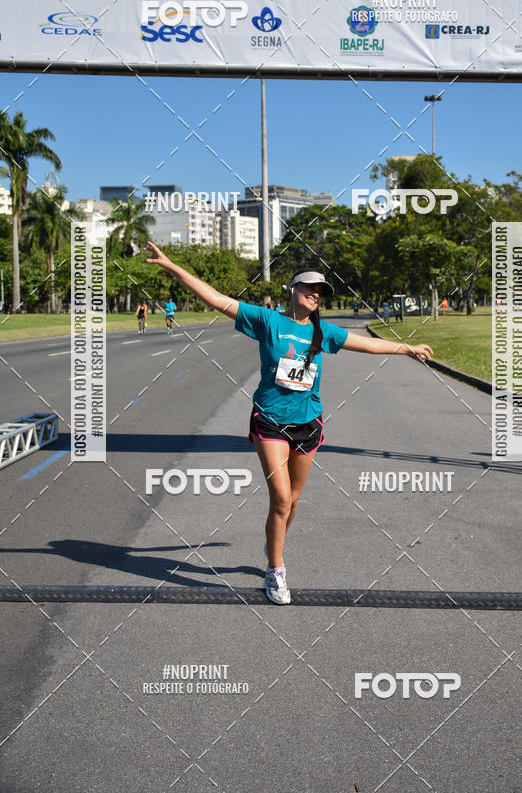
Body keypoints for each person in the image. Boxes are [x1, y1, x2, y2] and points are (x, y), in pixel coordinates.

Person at [144, 242, 433, 605]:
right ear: (293, 290)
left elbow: (369, 346)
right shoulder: (269, 321)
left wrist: (409, 348)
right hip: (269, 420)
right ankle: (275, 569)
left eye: (321, 292)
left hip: (307, 422)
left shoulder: (324, 332)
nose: (316, 294)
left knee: (293, 501)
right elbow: (216, 299)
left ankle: (274, 538)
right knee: (280, 498)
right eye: (309, 288)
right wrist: (172, 266)